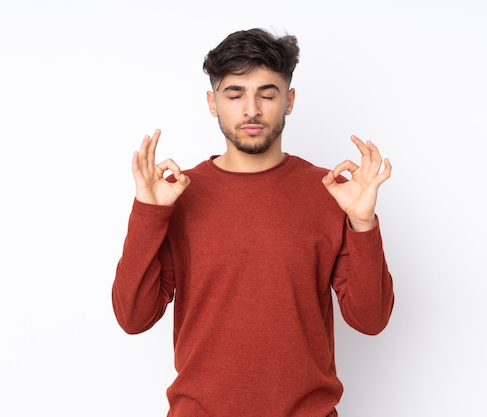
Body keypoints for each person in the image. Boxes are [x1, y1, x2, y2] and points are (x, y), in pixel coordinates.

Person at [111, 27, 394, 417]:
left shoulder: (330, 191)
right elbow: (133, 318)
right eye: (235, 94)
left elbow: (371, 319)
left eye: (267, 93)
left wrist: (362, 224)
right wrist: (148, 212)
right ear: (212, 102)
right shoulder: (177, 194)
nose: (251, 110)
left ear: (289, 101)